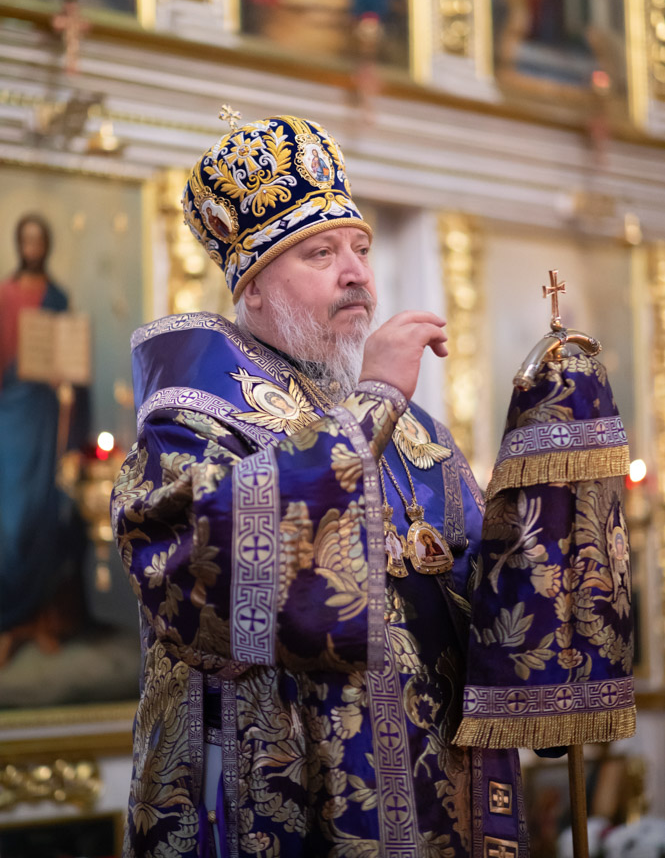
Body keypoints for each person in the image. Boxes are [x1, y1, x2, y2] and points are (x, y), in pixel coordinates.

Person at [112, 114, 526, 857]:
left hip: (429, 806)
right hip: (280, 806)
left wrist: (549, 509)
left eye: (361, 248)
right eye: (321, 253)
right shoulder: (192, 420)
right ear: (255, 288)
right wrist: (372, 403)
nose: (356, 272)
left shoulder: (417, 434)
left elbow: (480, 601)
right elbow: (209, 583)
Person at [0, 215, 84, 664]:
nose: (32, 247)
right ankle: (8, 620)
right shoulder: (5, 293)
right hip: (9, 409)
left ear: (45, 245)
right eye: (26, 240)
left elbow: (68, 357)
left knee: (41, 509)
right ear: (20, 244)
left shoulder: (57, 297)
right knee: (10, 518)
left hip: (43, 410)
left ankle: (34, 617)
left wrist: (62, 376)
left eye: (38, 240)